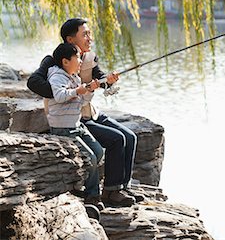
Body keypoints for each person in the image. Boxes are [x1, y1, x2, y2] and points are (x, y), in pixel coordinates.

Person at [27, 18, 142, 207]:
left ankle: (122, 186)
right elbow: (33, 82)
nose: (89, 38)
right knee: (116, 139)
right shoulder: (53, 61)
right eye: (85, 34)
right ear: (70, 40)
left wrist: (109, 81)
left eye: (89, 33)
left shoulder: (88, 59)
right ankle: (110, 192)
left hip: (90, 112)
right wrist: (67, 94)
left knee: (130, 136)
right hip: (73, 118)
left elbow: (100, 80)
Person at [46, 42, 104, 209]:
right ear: (65, 61)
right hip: (62, 128)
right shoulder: (56, 77)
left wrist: (90, 90)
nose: (80, 61)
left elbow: (82, 101)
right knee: (90, 158)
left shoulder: (75, 78)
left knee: (98, 152)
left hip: (76, 125)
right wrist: (78, 90)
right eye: (77, 57)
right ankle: (92, 196)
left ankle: (81, 186)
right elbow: (59, 96)